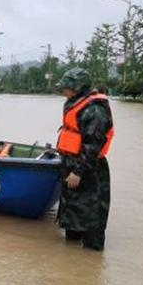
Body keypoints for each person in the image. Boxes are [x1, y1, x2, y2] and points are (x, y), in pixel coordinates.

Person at [55, 67, 114, 251]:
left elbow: (92, 145)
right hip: (71, 167)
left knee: (91, 220)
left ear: (77, 87)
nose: (63, 91)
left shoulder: (95, 110)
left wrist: (78, 172)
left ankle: (91, 268)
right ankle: (71, 265)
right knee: (72, 218)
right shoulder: (76, 103)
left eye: (66, 87)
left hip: (89, 172)